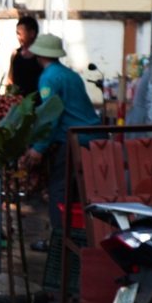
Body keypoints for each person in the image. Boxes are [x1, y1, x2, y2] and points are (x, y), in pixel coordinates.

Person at [20, 33, 102, 213]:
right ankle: (77, 234)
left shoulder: (48, 78)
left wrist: (39, 148)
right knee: (79, 191)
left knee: (59, 189)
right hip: (94, 136)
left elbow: (51, 114)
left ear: (39, 56)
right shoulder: (70, 74)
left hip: (74, 138)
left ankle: (59, 236)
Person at [8, 13, 44, 96]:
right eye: (17, 33)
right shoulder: (15, 53)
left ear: (32, 33)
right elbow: (10, 79)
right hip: (18, 102)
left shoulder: (41, 56)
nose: (18, 37)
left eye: (20, 34)